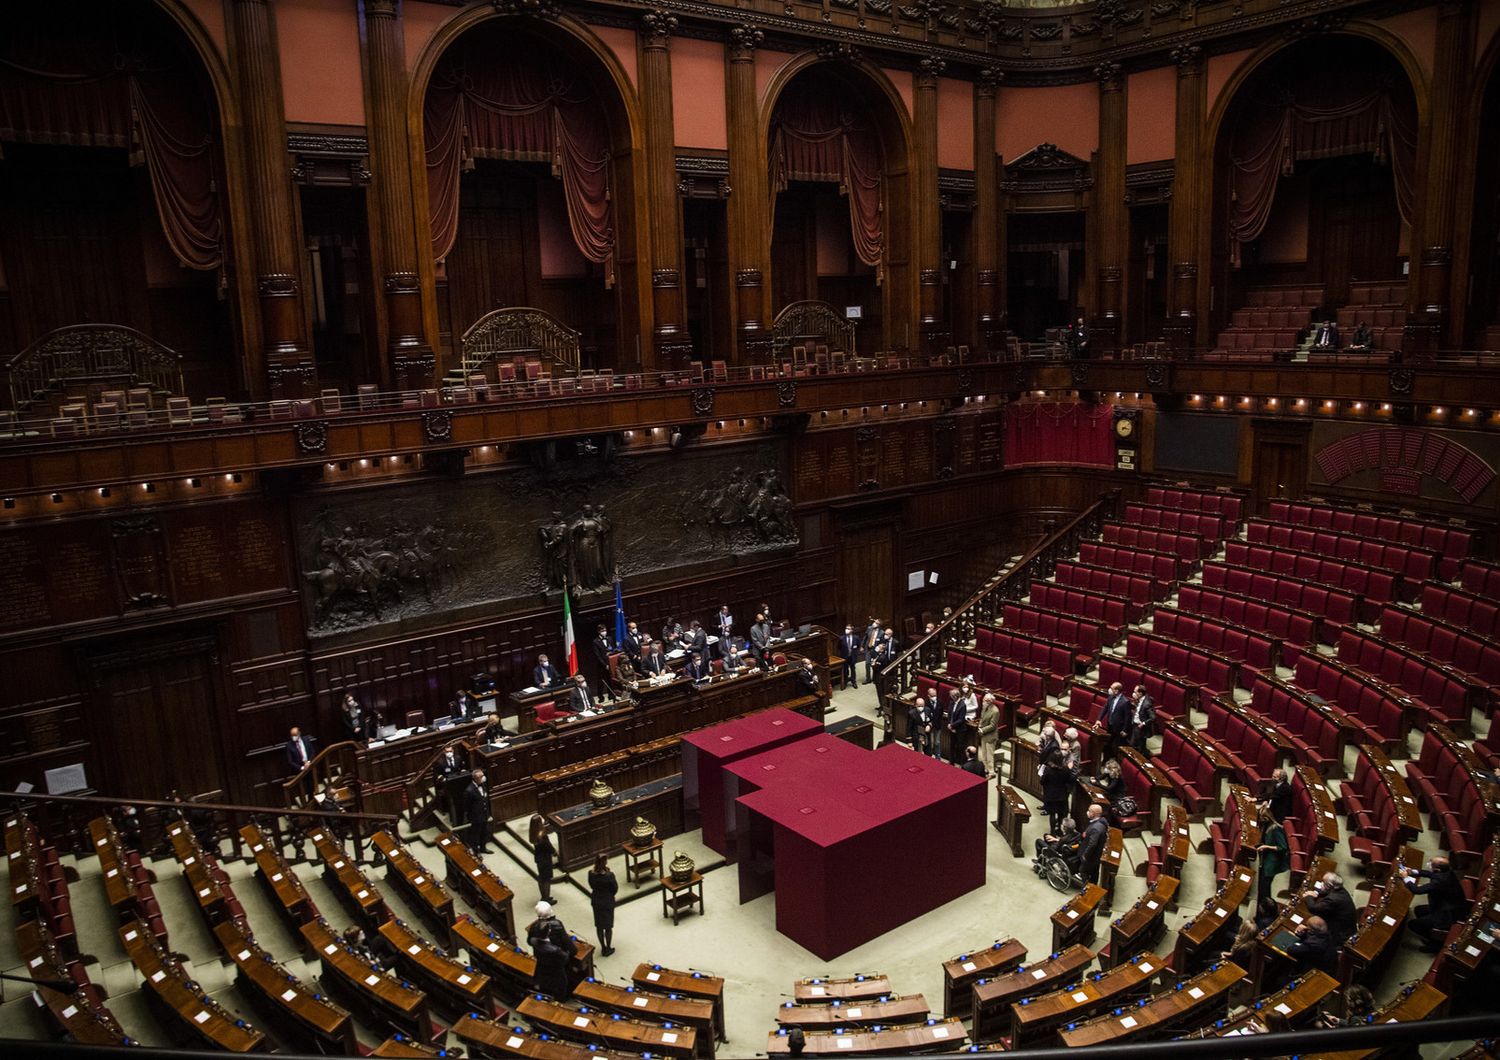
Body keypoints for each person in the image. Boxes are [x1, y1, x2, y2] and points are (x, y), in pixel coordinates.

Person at [1404, 856, 1465, 951]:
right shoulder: (1447, 871)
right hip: (1444, 906)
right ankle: (1431, 931)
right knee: (1418, 910)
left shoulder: (1440, 881)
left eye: (1431, 863)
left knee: (1413, 924)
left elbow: (1417, 890)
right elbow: (1430, 874)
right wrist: (1413, 872)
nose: (1428, 863)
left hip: (1447, 915)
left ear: (1437, 868)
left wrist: (1406, 878)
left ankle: (1436, 943)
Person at [527, 903, 571, 999]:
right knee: (561, 985)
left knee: (545, 983)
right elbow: (568, 950)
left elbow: (529, 941)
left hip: (541, 962)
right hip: (557, 964)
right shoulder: (557, 925)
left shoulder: (534, 926)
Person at [1306, 870, 1357, 944]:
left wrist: (1309, 896)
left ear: (1329, 886)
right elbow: (1327, 892)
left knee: (1313, 924)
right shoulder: (1340, 889)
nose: (1321, 884)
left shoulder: (1333, 899)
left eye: (1323, 882)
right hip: (1348, 927)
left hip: (1340, 934)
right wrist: (1317, 893)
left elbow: (1313, 908)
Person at [1040, 739, 1076, 835]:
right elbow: (1070, 779)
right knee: (1060, 814)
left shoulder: (1048, 770)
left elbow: (1042, 781)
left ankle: (1052, 832)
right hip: (1062, 795)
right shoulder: (1065, 769)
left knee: (1052, 814)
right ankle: (1059, 830)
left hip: (1051, 795)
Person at [1256, 806, 1289, 901]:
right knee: (1262, 886)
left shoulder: (1276, 829)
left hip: (1272, 862)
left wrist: (1266, 847)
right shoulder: (1266, 826)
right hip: (1266, 860)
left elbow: (1283, 847)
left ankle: (1267, 907)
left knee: (1265, 887)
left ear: (1267, 818)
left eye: (1262, 818)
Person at [588, 854, 619, 956]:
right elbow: (615, 888)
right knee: (608, 926)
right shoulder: (609, 875)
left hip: (596, 901)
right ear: (605, 862)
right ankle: (608, 948)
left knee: (599, 926)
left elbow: (591, 885)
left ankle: (603, 947)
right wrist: (609, 895)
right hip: (607, 901)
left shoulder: (591, 874)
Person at [1078, 803, 1110, 885]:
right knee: (1094, 874)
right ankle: (1093, 887)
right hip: (1096, 856)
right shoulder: (1101, 822)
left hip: (1091, 858)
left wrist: (1085, 855)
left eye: (1089, 810)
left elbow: (1092, 844)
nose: (1087, 812)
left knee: (1084, 872)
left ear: (1093, 813)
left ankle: (1086, 892)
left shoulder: (1096, 828)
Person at [1101, 681, 1132, 763]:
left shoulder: (1125, 702)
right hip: (1110, 725)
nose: (1109, 689)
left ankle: (1118, 763)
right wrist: (1098, 719)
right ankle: (1106, 760)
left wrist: (1125, 730)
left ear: (1117, 691)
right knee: (1107, 744)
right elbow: (1105, 708)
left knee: (1117, 746)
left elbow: (1128, 717)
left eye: (1111, 688)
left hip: (1119, 729)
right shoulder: (1111, 697)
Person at [464, 768, 491, 854]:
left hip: (484, 814)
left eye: (483, 775)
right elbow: (467, 806)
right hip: (476, 816)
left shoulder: (483, 785)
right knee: (476, 834)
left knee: (484, 832)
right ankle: (476, 851)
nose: (483, 778)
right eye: (481, 776)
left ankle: (483, 848)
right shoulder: (469, 790)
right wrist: (472, 817)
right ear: (475, 778)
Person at [435, 742, 466, 820]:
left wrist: (463, 771)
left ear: (453, 751)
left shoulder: (458, 758)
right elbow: (438, 775)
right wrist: (443, 779)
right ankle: (453, 816)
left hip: (458, 781)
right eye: (447, 752)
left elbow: (462, 768)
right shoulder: (440, 763)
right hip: (447, 784)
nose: (449, 753)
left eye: (450, 751)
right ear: (444, 752)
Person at [530, 815, 556, 904]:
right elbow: (548, 846)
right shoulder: (542, 835)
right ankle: (546, 898)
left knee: (542, 878)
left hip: (539, 858)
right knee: (546, 879)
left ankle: (544, 896)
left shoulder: (533, 833)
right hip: (545, 859)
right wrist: (554, 852)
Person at [591, 625, 616, 701]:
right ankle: (601, 697)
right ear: (599, 632)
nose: (604, 632)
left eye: (605, 630)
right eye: (602, 631)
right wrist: (605, 665)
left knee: (610, 680)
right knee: (601, 681)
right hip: (601, 665)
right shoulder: (595, 641)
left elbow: (613, 649)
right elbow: (597, 655)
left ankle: (611, 695)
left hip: (610, 663)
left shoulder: (610, 638)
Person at [947, 688, 972, 765]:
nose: (950, 697)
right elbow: (950, 715)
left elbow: (961, 719)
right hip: (952, 728)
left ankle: (962, 764)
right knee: (952, 745)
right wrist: (949, 724)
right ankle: (951, 762)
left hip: (960, 729)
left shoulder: (962, 705)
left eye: (951, 696)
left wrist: (952, 725)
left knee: (961, 747)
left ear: (955, 696)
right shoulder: (951, 703)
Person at [977, 693, 1001, 776]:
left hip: (990, 736)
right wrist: (980, 726)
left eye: (984, 700)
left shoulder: (995, 711)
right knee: (984, 753)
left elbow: (993, 725)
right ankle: (985, 768)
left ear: (989, 701)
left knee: (989, 755)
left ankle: (991, 771)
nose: (983, 701)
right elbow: (982, 718)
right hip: (983, 734)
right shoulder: (984, 708)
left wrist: (982, 730)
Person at [1129, 685, 1156, 754]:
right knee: (1133, 745)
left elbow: (1153, 717)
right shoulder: (1140, 699)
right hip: (1135, 725)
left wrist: (1143, 723)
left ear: (1140, 693)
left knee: (1139, 747)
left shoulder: (1146, 704)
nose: (1133, 694)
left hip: (1141, 728)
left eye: (1135, 692)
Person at [839, 624, 862, 689]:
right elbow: (839, 647)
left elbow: (858, 646)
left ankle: (853, 681)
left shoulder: (856, 638)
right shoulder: (841, 638)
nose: (846, 630)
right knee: (845, 670)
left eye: (848, 629)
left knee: (853, 669)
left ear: (852, 630)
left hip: (853, 657)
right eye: (846, 628)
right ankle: (845, 682)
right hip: (844, 657)